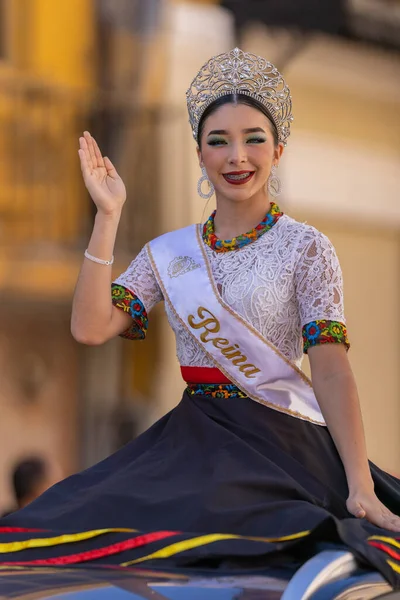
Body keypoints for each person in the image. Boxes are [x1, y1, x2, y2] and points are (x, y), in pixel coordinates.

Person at [0, 48, 399, 586]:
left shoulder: (307, 248)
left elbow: (330, 370)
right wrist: (107, 216)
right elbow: (90, 328)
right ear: (200, 154)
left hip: (281, 442)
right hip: (195, 438)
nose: (238, 156)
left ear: (277, 149)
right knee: (75, 520)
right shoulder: (170, 254)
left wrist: (358, 484)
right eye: (219, 141)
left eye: (254, 138)